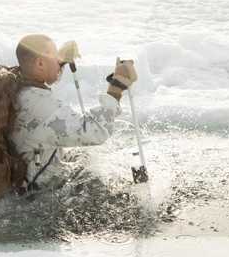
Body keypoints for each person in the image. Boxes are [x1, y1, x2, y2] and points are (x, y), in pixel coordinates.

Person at [8, 34, 137, 189]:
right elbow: (95, 131)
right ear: (40, 62)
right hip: (35, 194)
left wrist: (61, 59)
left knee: (84, 158)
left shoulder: (17, 83)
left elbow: (48, 75)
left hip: (29, 169)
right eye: (54, 56)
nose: (58, 59)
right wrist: (117, 84)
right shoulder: (40, 105)